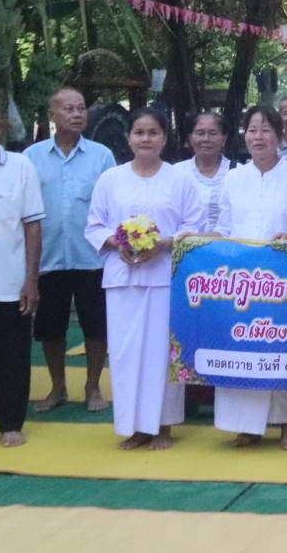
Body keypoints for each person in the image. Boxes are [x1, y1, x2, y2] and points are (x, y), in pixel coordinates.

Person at [84, 107, 202, 450]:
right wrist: (118, 242)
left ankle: (163, 425)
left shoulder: (179, 179)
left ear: (165, 138)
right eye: (139, 132)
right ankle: (135, 426)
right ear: (129, 138)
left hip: (165, 277)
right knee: (125, 353)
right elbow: (94, 225)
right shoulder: (111, 179)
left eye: (153, 132)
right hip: (123, 278)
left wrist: (163, 243)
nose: (145, 139)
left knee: (162, 354)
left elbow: (191, 227)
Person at [212, 106, 287, 449]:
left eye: (265, 130)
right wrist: (196, 240)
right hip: (240, 280)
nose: (258, 137)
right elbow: (224, 228)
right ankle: (247, 426)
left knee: (281, 348)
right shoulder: (233, 177)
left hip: (284, 279)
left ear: (279, 135)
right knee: (243, 348)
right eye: (252, 130)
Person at [28, 87, 115, 414]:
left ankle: (92, 386)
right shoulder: (31, 157)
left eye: (81, 108)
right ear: (52, 115)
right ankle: (57, 387)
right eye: (69, 109)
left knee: (96, 326)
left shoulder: (102, 155)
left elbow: (111, 205)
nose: (77, 114)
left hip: (92, 258)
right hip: (48, 258)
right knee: (50, 328)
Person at [0, 94, 43, 447]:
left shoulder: (20, 167)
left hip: (11, 282)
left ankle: (11, 424)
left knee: (13, 358)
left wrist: (31, 280)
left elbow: (32, 226)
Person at [173, 111, 230, 233]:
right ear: (190, 138)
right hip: (185, 247)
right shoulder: (176, 173)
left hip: (229, 248)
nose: (206, 139)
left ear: (224, 139)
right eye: (200, 133)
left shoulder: (237, 172)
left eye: (213, 133)